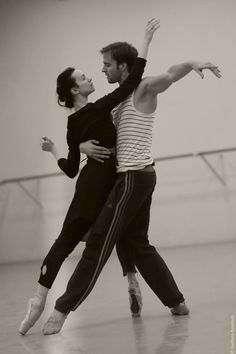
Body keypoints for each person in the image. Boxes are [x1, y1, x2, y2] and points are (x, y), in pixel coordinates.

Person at [39, 27, 221, 335]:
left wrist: (194, 63)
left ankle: (61, 309)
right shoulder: (112, 103)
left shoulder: (143, 88)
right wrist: (80, 146)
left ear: (123, 66)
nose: (102, 69)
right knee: (138, 245)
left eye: (107, 64)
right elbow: (89, 133)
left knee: (98, 242)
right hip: (135, 177)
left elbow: (170, 74)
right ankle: (176, 302)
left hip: (134, 177)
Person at [18, 18, 160, 336]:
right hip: (98, 189)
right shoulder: (97, 108)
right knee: (79, 242)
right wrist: (146, 42)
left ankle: (41, 300)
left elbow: (70, 168)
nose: (91, 76)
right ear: (74, 89)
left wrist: (59, 148)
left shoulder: (74, 123)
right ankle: (44, 304)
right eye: (83, 77)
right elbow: (132, 80)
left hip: (100, 186)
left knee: (74, 242)